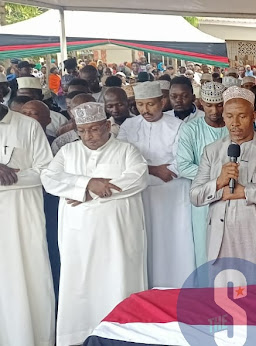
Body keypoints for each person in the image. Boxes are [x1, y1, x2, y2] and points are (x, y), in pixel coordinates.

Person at [40, 102, 148, 345]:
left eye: (94, 129)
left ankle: (122, 333)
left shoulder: (126, 151)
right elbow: (49, 178)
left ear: (107, 126)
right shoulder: (68, 152)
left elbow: (138, 178)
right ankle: (79, 335)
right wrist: (87, 185)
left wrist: (91, 193)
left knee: (118, 279)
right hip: (79, 237)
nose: (88, 136)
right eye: (82, 130)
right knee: (80, 283)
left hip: (118, 235)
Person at [190, 87, 256, 283]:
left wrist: (245, 192)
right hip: (223, 240)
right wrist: (218, 182)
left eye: (242, 116)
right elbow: (195, 196)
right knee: (226, 301)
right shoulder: (212, 151)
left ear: (254, 116)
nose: (235, 123)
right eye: (229, 116)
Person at [118, 81, 195, 288]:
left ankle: (178, 286)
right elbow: (122, 160)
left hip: (173, 192)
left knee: (174, 240)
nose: (145, 110)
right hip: (141, 192)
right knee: (147, 242)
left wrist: (163, 171)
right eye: (141, 105)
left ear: (162, 102)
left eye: (150, 104)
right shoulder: (128, 126)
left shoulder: (178, 126)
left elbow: (182, 160)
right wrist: (153, 170)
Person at [0, 98, 56, 346]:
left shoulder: (28, 126)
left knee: (28, 276)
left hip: (22, 215)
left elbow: (46, 171)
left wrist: (9, 177)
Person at [176, 82, 229, 269]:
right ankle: (206, 294)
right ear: (200, 103)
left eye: (220, 104)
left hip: (234, 196)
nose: (215, 110)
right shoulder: (191, 129)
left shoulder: (236, 126)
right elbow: (183, 166)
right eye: (209, 105)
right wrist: (217, 177)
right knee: (205, 249)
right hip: (204, 198)